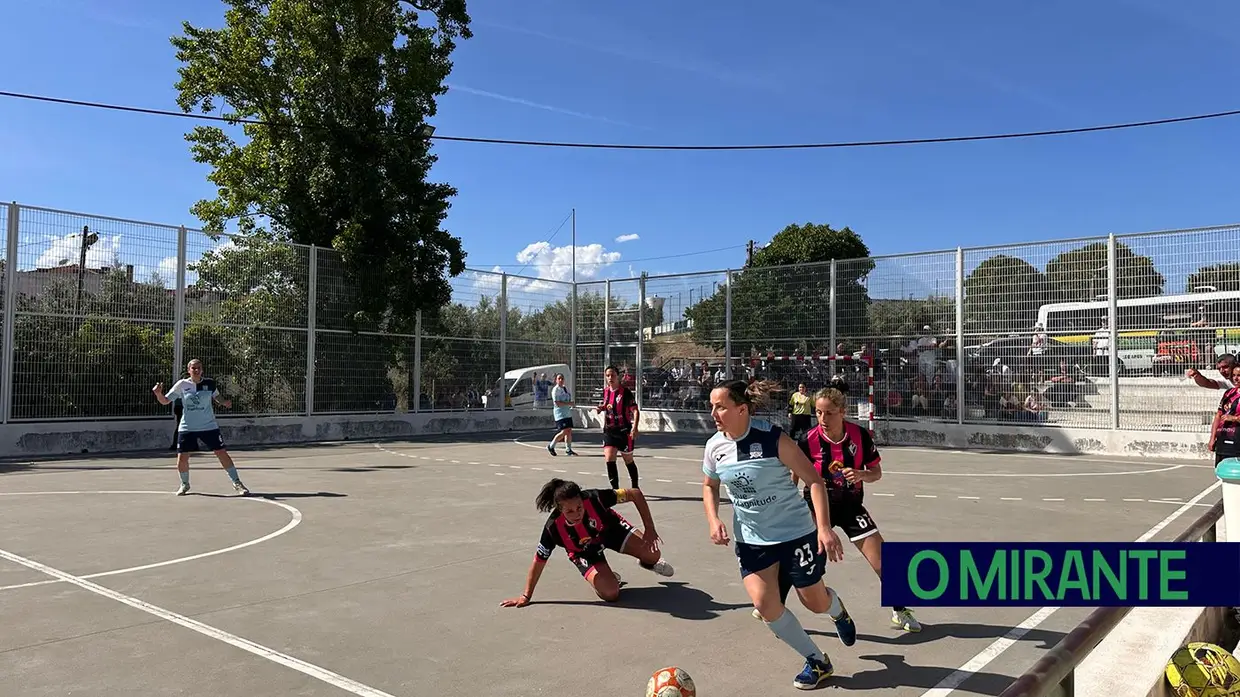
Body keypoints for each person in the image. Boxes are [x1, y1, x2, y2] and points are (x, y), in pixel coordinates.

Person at [702, 379, 857, 690]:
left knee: (814, 602)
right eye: (712, 407)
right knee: (765, 606)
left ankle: (837, 611)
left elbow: (814, 480)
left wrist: (824, 528)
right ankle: (817, 660)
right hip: (751, 539)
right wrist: (713, 519)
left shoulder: (773, 439)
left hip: (795, 533)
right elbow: (710, 485)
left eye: (720, 407)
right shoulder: (714, 447)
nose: (714, 413)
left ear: (742, 409)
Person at [779, 387, 922, 633]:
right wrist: (789, 503)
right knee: (803, 559)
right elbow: (795, 473)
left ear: (843, 412)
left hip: (851, 505)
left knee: (883, 559)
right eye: (818, 412)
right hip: (817, 507)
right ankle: (774, 605)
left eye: (829, 413)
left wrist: (861, 474)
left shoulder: (859, 436)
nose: (823, 418)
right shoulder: (807, 439)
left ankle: (900, 611)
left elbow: (876, 473)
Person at [500, 478, 673, 607]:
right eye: (569, 511)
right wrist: (526, 596)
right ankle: (608, 577)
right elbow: (539, 561)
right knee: (611, 593)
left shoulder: (595, 497)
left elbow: (634, 493)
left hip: (612, 531)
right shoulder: (552, 529)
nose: (576, 514)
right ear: (559, 509)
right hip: (585, 552)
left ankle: (647, 563)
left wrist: (650, 528)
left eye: (579, 508)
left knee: (653, 554)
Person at [151, 358, 249, 496]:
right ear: (188, 370)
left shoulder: (209, 383)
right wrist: (158, 393)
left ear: (202, 370)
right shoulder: (182, 385)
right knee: (182, 458)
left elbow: (217, 396)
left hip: (209, 426)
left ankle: (237, 482)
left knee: (221, 453)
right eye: (193, 368)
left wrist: (224, 402)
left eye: (198, 368)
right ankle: (184, 484)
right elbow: (165, 401)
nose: (196, 370)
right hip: (187, 427)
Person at [596, 365, 640, 489]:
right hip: (609, 431)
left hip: (624, 432)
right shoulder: (606, 391)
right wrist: (601, 408)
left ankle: (635, 488)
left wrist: (635, 428)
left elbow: (635, 411)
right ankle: (615, 490)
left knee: (628, 460)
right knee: (609, 458)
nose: (610, 378)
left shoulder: (625, 392)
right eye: (608, 375)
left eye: (613, 375)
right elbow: (607, 405)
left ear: (618, 377)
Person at [547, 373, 578, 456]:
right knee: (564, 431)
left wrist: (570, 403)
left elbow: (567, 399)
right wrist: (569, 404)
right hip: (560, 414)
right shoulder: (555, 390)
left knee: (569, 431)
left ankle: (568, 449)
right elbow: (557, 403)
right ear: (556, 380)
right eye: (559, 378)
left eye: (562, 378)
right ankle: (551, 446)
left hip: (567, 413)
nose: (561, 380)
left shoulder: (565, 388)